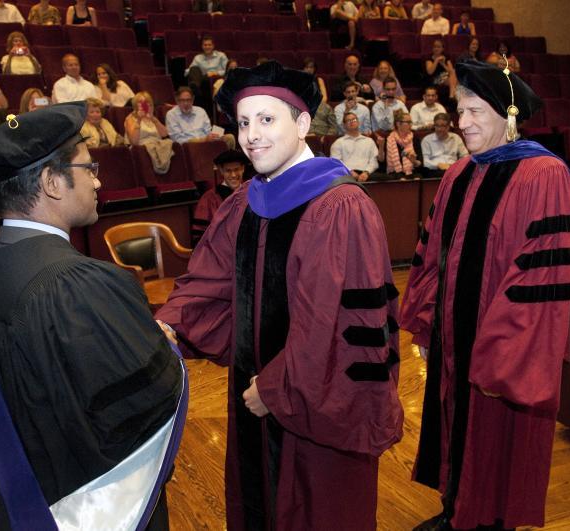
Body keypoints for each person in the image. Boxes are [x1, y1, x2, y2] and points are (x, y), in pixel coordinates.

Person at [155, 59, 403, 531]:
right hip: (252, 396)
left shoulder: (340, 206)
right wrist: (169, 324)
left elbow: (335, 323)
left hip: (315, 406)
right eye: (244, 122)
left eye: (267, 119)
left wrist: (276, 389)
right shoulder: (244, 203)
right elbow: (210, 281)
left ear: (303, 123)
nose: (251, 135)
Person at [0, 101, 186, 531]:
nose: (99, 180)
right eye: (88, 167)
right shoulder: (77, 283)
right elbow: (144, 404)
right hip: (94, 503)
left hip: (41, 492)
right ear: (51, 182)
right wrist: (162, 345)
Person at [400, 59, 570, 531]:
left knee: (494, 435)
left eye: (476, 111)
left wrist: (497, 349)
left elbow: (541, 275)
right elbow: (433, 249)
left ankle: (489, 521)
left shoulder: (544, 175)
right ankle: (456, 509)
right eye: (461, 110)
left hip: (499, 346)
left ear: (509, 115)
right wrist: (427, 319)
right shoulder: (460, 172)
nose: (463, 123)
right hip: (453, 337)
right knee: (453, 426)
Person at [191, 149, 247, 244]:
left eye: (236, 169)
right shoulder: (209, 199)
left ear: (243, 169)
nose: (233, 175)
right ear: (221, 171)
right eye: (228, 171)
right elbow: (200, 237)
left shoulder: (252, 193)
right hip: (220, 254)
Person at [165, 86, 236, 149]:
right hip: (189, 145)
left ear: (193, 100)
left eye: (188, 100)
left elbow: (208, 131)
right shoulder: (171, 115)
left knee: (230, 137)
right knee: (192, 141)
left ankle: (228, 162)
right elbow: (178, 140)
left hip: (207, 142)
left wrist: (214, 136)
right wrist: (203, 140)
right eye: (182, 100)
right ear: (177, 100)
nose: (186, 103)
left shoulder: (200, 111)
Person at [125, 91, 174, 174]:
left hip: (157, 147)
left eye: (149, 103)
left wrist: (153, 119)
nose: (146, 106)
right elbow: (134, 142)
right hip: (141, 150)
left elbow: (165, 134)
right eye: (141, 103)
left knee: (170, 144)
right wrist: (139, 120)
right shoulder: (130, 118)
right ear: (135, 106)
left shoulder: (153, 118)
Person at [330, 111, 380, 182]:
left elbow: (374, 162)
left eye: (354, 119)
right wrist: (350, 172)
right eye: (348, 121)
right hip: (347, 174)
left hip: (367, 173)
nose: (352, 122)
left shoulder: (369, 141)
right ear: (344, 125)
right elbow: (336, 163)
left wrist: (366, 173)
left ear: (358, 122)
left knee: (386, 178)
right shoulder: (338, 143)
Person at [186, 35, 228, 108]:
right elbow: (189, 71)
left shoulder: (221, 56)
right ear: (202, 46)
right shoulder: (198, 58)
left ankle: (196, 90)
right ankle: (196, 88)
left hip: (216, 80)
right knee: (194, 68)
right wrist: (190, 72)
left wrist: (216, 73)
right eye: (205, 45)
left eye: (209, 45)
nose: (207, 47)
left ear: (213, 46)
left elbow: (228, 70)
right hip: (203, 80)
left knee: (200, 80)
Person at [384, 109, 421, 177]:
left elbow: (420, 164)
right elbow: (383, 164)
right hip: (395, 172)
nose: (411, 125)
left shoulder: (415, 138)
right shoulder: (390, 139)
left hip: (411, 171)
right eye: (408, 122)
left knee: (417, 178)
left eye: (411, 122)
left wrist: (414, 161)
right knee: (400, 178)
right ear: (398, 124)